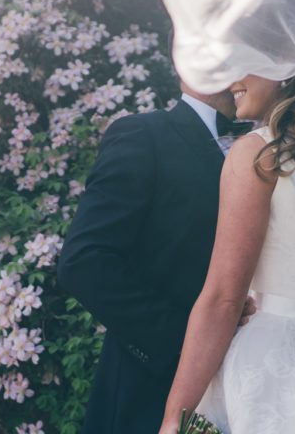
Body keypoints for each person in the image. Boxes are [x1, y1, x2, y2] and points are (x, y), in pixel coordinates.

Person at [159, 60, 295, 433]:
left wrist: (174, 418)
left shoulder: (258, 155)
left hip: (264, 374)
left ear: (285, 66)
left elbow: (223, 300)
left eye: (245, 64)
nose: (231, 79)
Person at [58, 77, 257, 434]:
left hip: (256, 386)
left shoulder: (270, 149)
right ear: (191, 63)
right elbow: (85, 262)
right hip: (151, 389)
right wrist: (190, 338)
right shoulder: (143, 136)